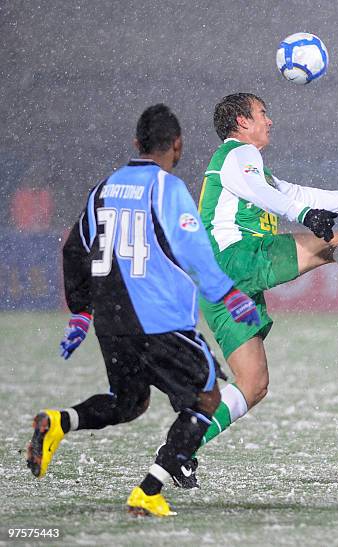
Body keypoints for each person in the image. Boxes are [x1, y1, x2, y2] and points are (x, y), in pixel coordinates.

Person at [163, 92, 338, 488]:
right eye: (262, 113)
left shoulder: (248, 166)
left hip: (220, 284)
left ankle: (179, 451)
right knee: (334, 245)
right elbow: (280, 201)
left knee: (253, 384)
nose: (269, 120)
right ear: (242, 122)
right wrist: (304, 216)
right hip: (237, 258)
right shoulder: (237, 154)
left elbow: (297, 194)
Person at [25, 104, 260, 516]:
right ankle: (149, 491)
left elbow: (74, 248)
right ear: (178, 145)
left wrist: (81, 311)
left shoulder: (103, 188)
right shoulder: (167, 189)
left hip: (112, 323)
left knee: (129, 402)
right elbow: (194, 249)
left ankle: (59, 422)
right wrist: (228, 294)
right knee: (205, 399)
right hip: (159, 320)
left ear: (136, 143)